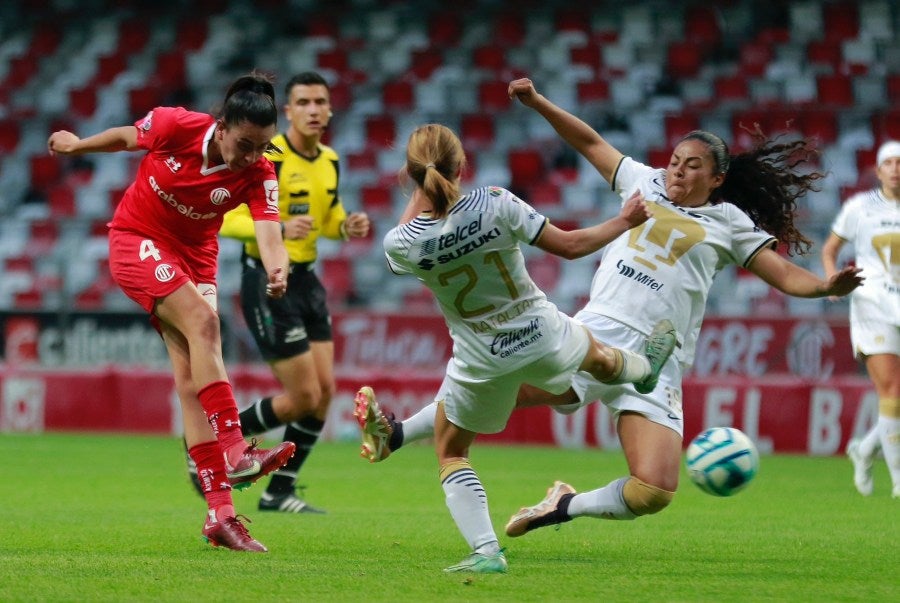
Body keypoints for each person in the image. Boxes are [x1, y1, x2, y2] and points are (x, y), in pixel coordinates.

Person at [356, 79, 864, 543]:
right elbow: (591, 143)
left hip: (661, 360)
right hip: (600, 333)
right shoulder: (643, 183)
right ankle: (397, 434)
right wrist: (538, 104)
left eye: (692, 165)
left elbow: (780, 273)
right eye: (675, 160)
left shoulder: (729, 223)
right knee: (501, 388)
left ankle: (564, 505)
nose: (678, 170)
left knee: (655, 491)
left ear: (718, 177)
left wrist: (822, 286)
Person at [356, 123, 680, 574]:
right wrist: (624, 221)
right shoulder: (495, 201)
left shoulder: (402, 243)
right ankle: (642, 369)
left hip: (482, 357)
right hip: (543, 333)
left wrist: (419, 186)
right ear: (461, 164)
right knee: (601, 358)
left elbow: (409, 229)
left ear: (409, 175)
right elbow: (568, 247)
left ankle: (486, 551)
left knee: (453, 451)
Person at [47, 73, 297, 553]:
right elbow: (125, 137)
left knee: (190, 380)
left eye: (261, 147)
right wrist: (78, 147)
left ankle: (220, 514)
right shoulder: (176, 125)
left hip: (196, 256)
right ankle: (236, 449)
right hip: (136, 238)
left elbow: (270, 230)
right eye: (244, 143)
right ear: (221, 127)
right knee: (205, 324)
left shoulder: (260, 171)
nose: (250, 156)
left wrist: (277, 269)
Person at [188, 71, 369, 514]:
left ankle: (279, 491)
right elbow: (225, 218)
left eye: (319, 102)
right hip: (267, 281)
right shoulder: (265, 153)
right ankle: (214, 445)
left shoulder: (330, 159)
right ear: (287, 111)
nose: (312, 109)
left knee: (323, 393)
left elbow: (327, 218)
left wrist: (345, 226)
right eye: (303, 102)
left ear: (329, 110)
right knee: (304, 397)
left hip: (306, 280)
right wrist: (278, 228)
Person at [822, 139, 900, 499]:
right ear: (880, 170)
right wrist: (830, 280)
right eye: (890, 163)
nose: (896, 169)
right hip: (871, 303)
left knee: (896, 398)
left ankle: (866, 448)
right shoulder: (859, 208)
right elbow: (831, 249)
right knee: (892, 391)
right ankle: (899, 480)